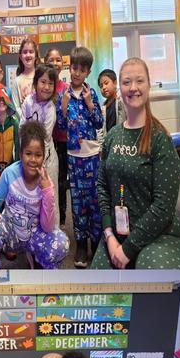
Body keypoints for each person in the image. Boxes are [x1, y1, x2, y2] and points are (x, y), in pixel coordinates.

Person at [93, 57, 180, 269]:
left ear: (148, 85)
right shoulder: (112, 137)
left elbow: (164, 207)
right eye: (127, 82)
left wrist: (128, 250)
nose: (133, 88)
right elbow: (102, 187)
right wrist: (109, 235)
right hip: (117, 233)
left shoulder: (160, 139)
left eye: (139, 81)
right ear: (120, 87)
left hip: (158, 234)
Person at [0, 121, 69, 269]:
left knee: (62, 243)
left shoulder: (46, 183)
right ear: (21, 155)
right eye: (28, 154)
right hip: (11, 231)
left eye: (38, 155)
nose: (33, 160)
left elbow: (48, 227)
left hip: (34, 235)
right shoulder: (10, 173)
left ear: (43, 157)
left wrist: (47, 192)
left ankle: (42, 269)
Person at [58, 46, 105, 267]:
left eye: (82, 69)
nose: (76, 73)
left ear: (87, 72)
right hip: (74, 158)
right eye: (74, 68)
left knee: (94, 201)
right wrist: (65, 108)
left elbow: (98, 123)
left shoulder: (92, 93)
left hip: (92, 155)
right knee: (78, 203)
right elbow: (60, 125)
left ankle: (96, 243)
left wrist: (89, 103)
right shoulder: (64, 95)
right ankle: (81, 246)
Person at [19, 64, 61, 229]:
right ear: (35, 83)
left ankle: (53, 233)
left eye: (51, 83)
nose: (46, 87)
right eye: (43, 82)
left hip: (47, 161)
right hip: (29, 158)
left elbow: (46, 136)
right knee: (31, 199)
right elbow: (22, 129)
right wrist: (26, 156)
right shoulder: (28, 102)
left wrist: (38, 161)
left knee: (50, 197)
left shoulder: (50, 107)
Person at [45, 47, 71, 223]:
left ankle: (61, 219)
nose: (55, 63)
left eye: (58, 59)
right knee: (47, 181)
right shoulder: (44, 86)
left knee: (62, 180)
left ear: (63, 64)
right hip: (46, 141)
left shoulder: (67, 88)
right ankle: (47, 216)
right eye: (51, 60)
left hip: (63, 141)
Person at [9, 37, 39, 107]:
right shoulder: (16, 82)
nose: (28, 55)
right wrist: (25, 118)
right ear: (20, 56)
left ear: (36, 56)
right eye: (25, 52)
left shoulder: (41, 77)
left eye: (31, 52)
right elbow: (16, 108)